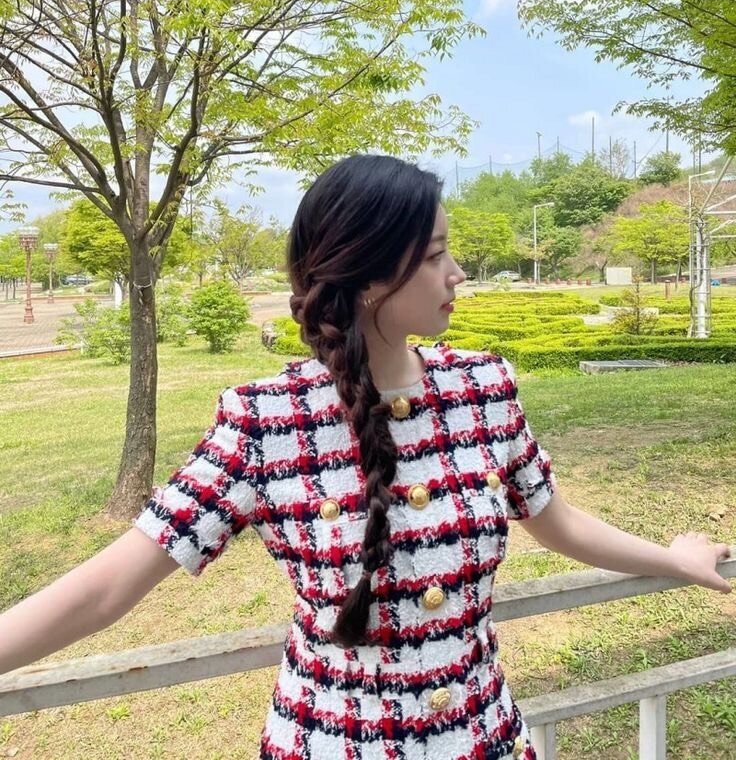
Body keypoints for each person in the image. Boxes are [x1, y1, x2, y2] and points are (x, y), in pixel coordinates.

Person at [0, 155, 730, 760]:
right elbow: (107, 588)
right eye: (437, 256)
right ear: (372, 275)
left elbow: (556, 521)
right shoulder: (265, 422)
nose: (458, 273)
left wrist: (675, 559)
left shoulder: (483, 388)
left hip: (483, 736)